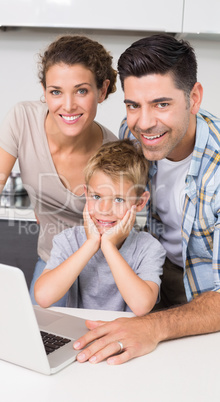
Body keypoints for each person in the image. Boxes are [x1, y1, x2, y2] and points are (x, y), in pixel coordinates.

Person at [72, 34, 220, 365]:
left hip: (205, 296)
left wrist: (152, 326)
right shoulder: (133, 134)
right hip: (152, 278)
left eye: (162, 104)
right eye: (133, 105)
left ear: (193, 98)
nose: (145, 122)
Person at [0, 35, 117, 305]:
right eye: (56, 91)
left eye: (81, 91)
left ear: (102, 89)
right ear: (44, 91)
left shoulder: (112, 152)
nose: (68, 105)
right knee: (38, 341)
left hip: (103, 273)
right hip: (52, 263)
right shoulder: (22, 120)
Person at [34, 139, 166, 314]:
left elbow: (141, 306)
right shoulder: (69, 240)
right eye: (97, 197)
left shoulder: (148, 247)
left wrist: (108, 246)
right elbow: (43, 296)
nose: (104, 210)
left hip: (125, 336)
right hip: (80, 333)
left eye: (119, 199)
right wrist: (91, 244)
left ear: (140, 202)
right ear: (86, 193)